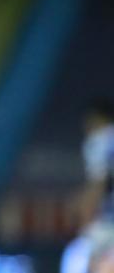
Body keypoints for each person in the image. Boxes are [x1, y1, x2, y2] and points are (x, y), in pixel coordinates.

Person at [62, 101, 114, 273]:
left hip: (109, 222)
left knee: (88, 260)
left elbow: (98, 184)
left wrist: (85, 222)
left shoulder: (101, 140)